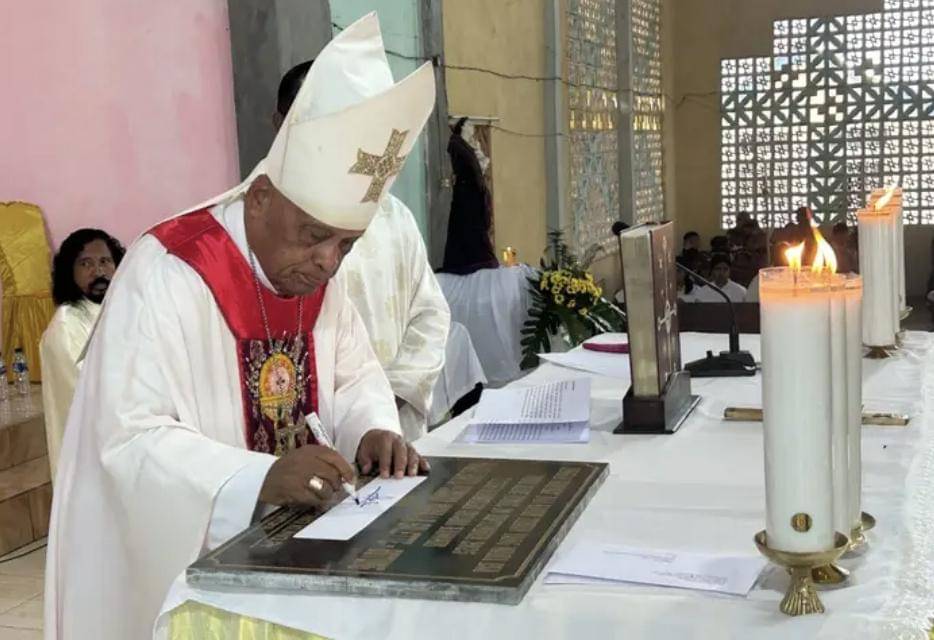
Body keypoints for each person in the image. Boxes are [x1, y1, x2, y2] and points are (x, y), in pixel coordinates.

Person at [45, 15, 436, 639]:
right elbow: (125, 440)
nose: (329, 263)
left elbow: (354, 368)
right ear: (260, 200)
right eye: (315, 236)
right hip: (185, 580)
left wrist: (372, 427)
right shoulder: (168, 270)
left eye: (348, 244)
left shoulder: (312, 273)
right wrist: (253, 478)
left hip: (296, 562)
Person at [275, 59, 450, 441]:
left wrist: (391, 395)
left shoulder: (392, 216)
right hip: (312, 432)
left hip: (390, 427)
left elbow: (431, 313)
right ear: (280, 125)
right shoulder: (267, 220)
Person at [39, 229, 124, 478]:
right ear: (69, 271)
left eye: (105, 261)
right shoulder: (66, 327)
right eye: (86, 263)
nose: (98, 272)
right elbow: (94, 395)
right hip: (93, 461)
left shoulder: (118, 309)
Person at [440, 117, 499, 274]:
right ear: (463, 126)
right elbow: (467, 169)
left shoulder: (469, 146)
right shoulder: (456, 144)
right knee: (467, 229)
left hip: (474, 195)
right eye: (470, 125)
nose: (473, 129)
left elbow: (480, 166)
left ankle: (476, 260)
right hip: (466, 194)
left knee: (474, 229)